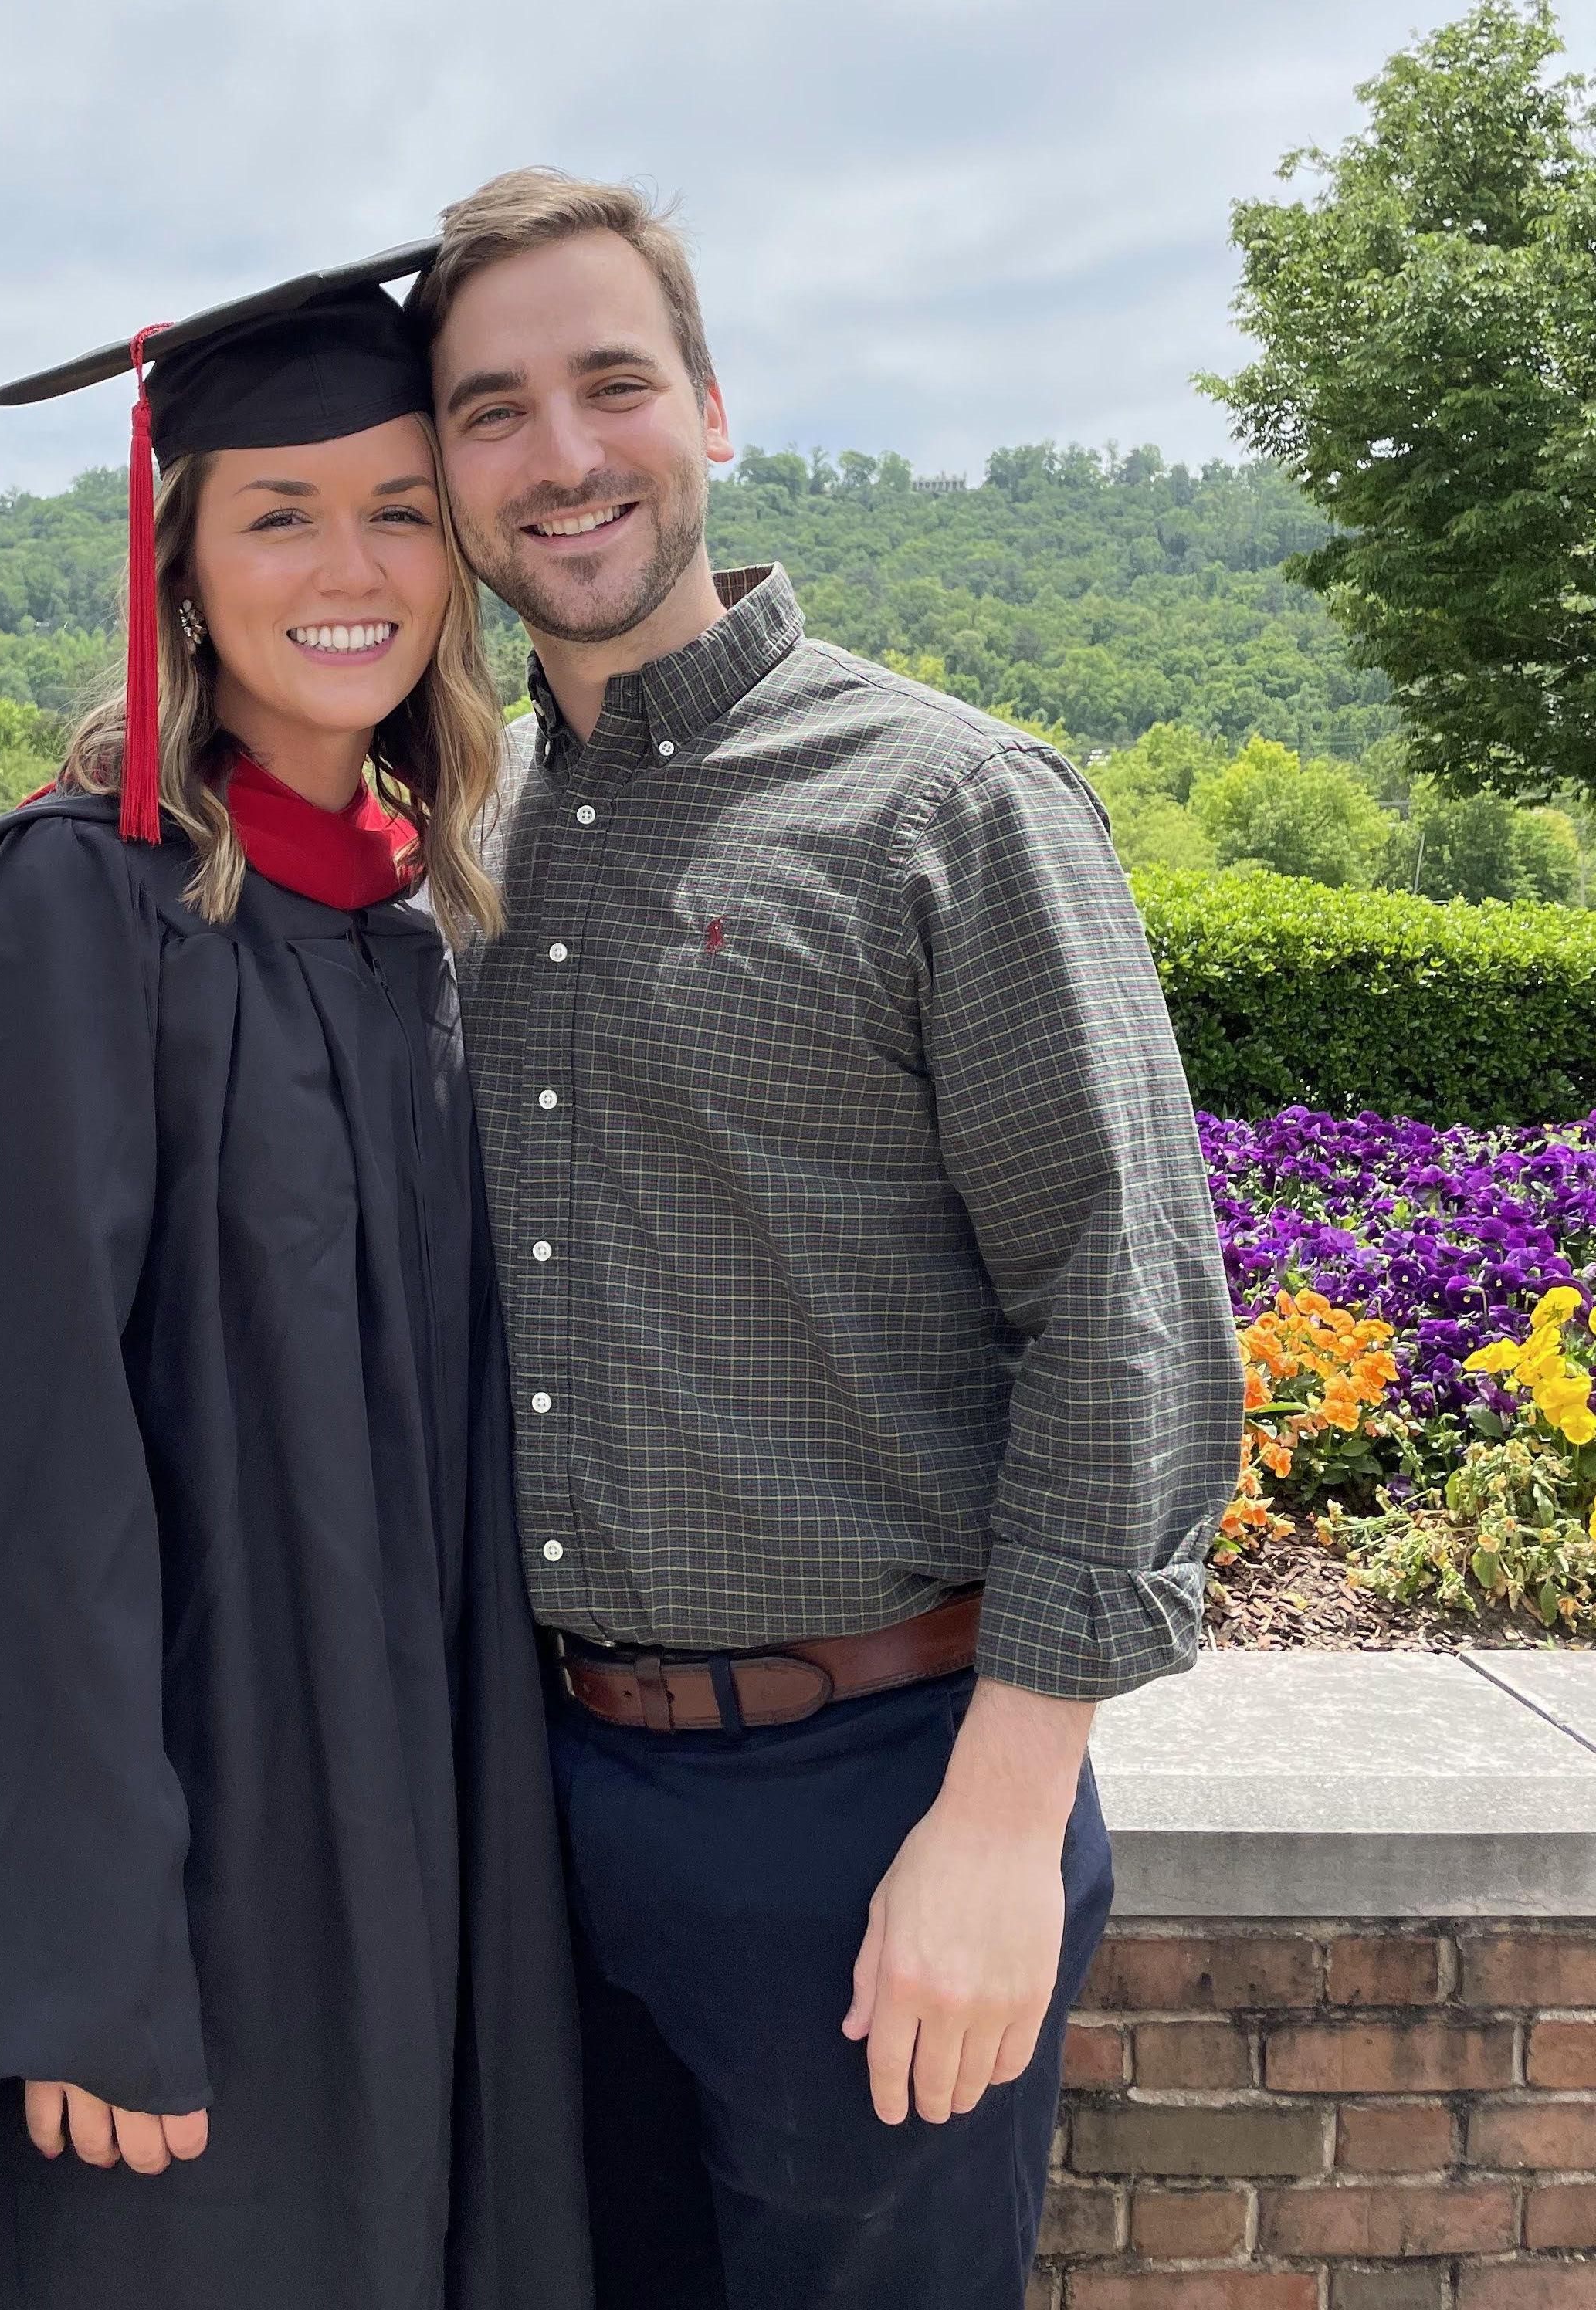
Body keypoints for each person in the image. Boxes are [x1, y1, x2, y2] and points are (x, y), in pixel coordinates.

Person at [408, 170, 1246, 2309]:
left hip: (876, 1806)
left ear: (711, 405)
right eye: (492, 409)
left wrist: (995, 1824)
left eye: (611, 383)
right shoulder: (465, 846)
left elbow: (1131, 1319)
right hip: (535, 1801)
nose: (561, 454)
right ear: (447, 470)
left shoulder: (947, 806)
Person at [0, 250, 591, 2310]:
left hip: (405, 1839)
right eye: (278, 511)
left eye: (402, 509)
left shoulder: (414, 936)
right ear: (183, 560)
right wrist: (73, 1948)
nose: (352, 565)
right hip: (178, 1903)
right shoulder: (63, 923)